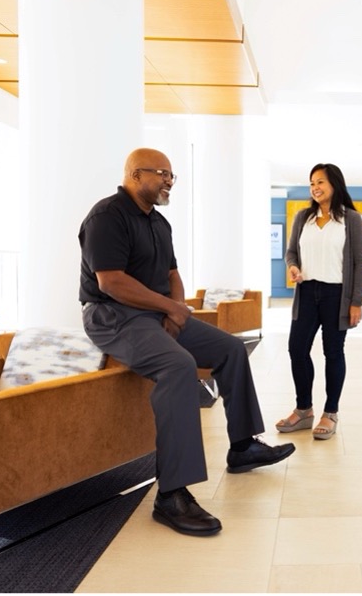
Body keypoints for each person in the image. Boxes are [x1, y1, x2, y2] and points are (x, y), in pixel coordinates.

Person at [79, 147, 295, 537]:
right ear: (133, 174)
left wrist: (176, 310)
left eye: (171, 175)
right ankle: (172, 494)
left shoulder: (159, 223)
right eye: (161, 173)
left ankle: (243, 446)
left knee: (230, 349)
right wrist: (170, 309)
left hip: (154, 312)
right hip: (112, 316)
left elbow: (172, 274)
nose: (168, 181)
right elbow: (110, 281)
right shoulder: (107, 216)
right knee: (177, 365)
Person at [276, 163, 362, 440]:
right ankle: (304, 409)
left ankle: (331, 412)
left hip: (337, 295)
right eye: (312, 183)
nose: (315, 187)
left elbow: (360, 263)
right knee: (297, 349)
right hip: (306, 292)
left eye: (321, 182)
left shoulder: (350, 219)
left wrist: (356, 302)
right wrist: (292, 266)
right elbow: (291, 252)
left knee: (333, 352)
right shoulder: (303, 217)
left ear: (334, 185)